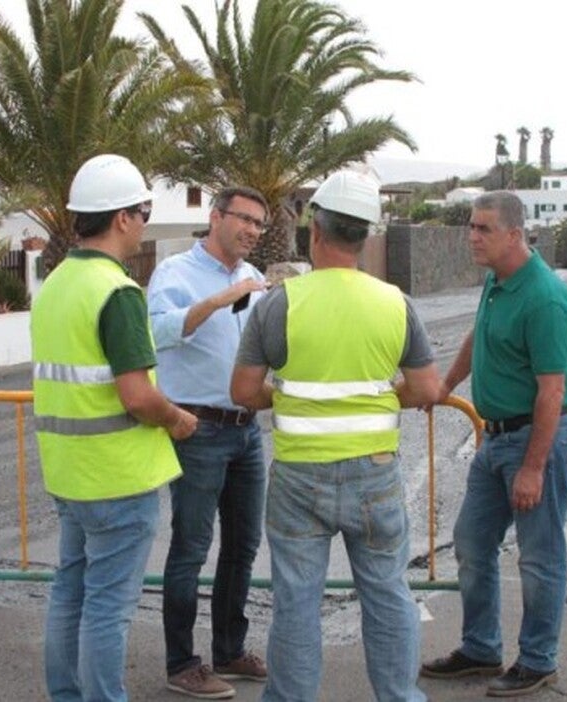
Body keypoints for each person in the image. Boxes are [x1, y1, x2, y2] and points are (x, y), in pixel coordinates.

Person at [230, 170, 441, 702]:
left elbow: (243, 391)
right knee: (389, 594)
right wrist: (377, 396)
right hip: (375, 473)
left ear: (313, 233)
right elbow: (427, 388)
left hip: (299, 477)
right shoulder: (395, 302)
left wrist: (294, 397)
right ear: (365, 238)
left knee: (298, 601)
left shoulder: (280, 303)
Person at [30, 154, 198, 702]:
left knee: (70, 593)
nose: (145, 222)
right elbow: (137, 395)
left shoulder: (55, 285)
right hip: (117, 479)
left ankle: (67, 696)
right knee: (107, 606)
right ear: (122, 218)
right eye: (144, 211)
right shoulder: (118, 292)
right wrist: (176, 418)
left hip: (70, 473)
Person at [419, 190, 567, 698]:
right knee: (471, 542)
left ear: (515, 234)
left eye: (483, 228)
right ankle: (480, 648)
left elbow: (552, 390)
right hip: (494, 441)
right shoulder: (498, 280)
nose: (472, 236)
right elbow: (479, 336)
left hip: (537, 442)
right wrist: (445, 386)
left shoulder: (545, 298)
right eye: (471, 226)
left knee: (539, 556)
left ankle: (537, 661)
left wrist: (533, 468)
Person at [147, 186, 272, 699]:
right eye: (244, 219)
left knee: (243, 546)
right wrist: (220, 300)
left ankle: (229, 650)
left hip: (246, 429)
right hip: (197, 430)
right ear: (215, 216)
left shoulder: (255, 279)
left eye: (259, 224)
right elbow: (157, 332)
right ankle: (182, 663)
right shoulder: (175, 272)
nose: (252, 231)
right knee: (191, 549)